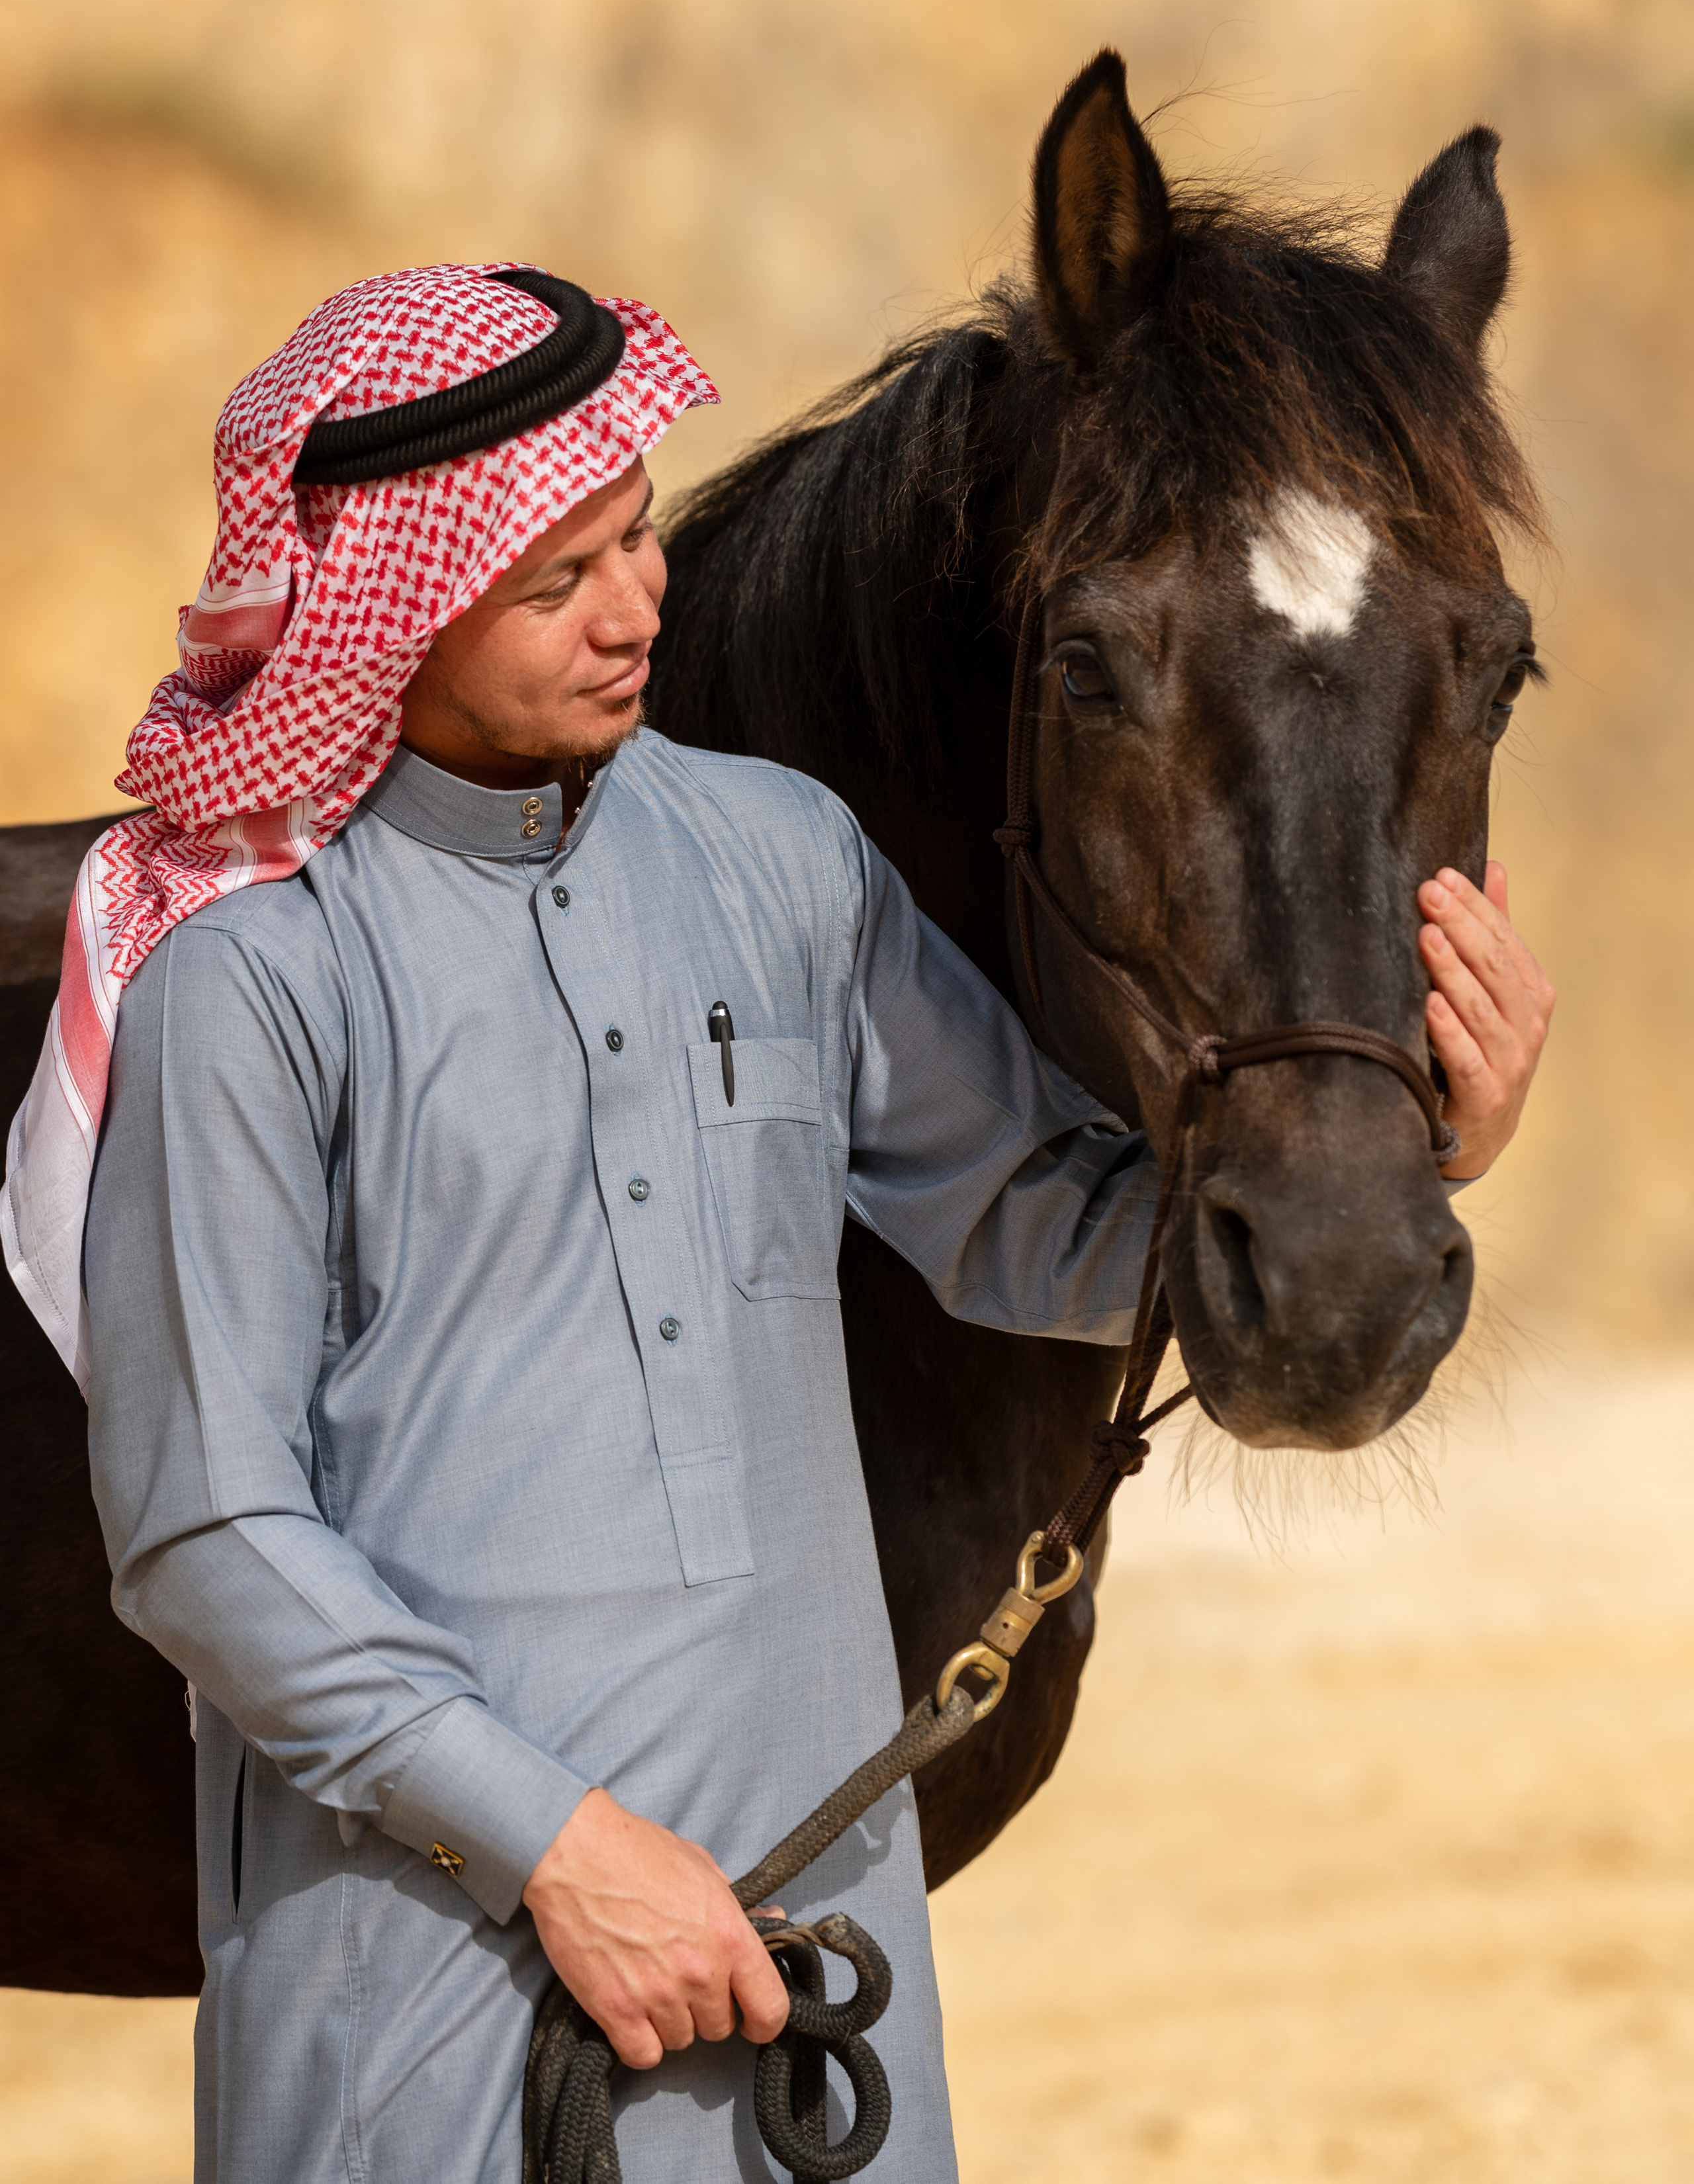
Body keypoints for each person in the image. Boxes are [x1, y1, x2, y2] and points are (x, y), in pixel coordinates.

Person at [1, 263, 1551, 2184]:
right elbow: (209, 1531)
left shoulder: (781, 862)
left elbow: (1027, 1225)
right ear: (382, 604)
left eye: (640, 533)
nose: (642, 601)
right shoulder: (246, 979)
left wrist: (1414, 1148)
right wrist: (565, 1855)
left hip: (808, 2011)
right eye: (556, 577)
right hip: (426, 2019)